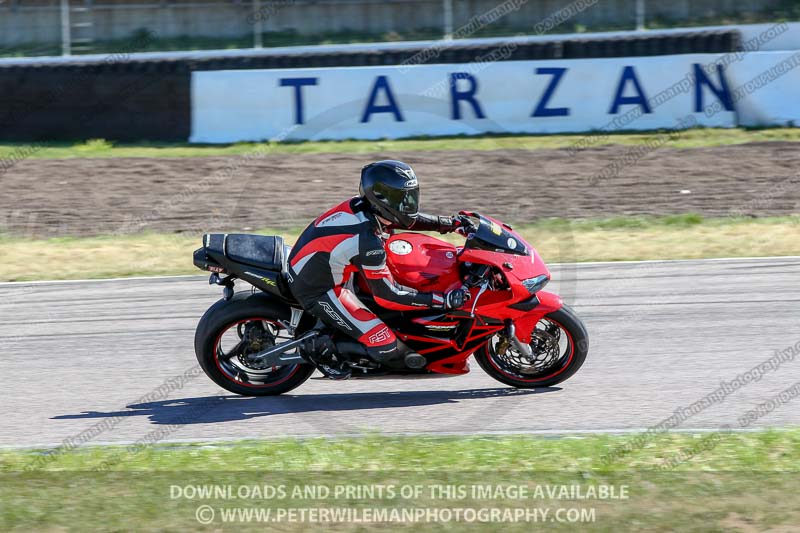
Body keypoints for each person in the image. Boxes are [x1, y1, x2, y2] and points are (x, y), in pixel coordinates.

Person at [287, 160, 469, 379]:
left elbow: (407, 219)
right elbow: (388, 295)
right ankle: (319, 350)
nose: (409, 204)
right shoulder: (368, 242)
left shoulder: (365, 207)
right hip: (318, 289)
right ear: (383, 199)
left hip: (328, 268)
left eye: (411, 196)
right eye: (402, 199)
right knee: (385, 344)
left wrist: (450, 223)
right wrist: (442, 300)